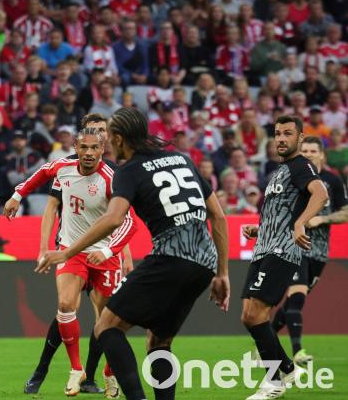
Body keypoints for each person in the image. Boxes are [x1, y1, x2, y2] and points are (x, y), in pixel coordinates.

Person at [36, 107, 230, 400]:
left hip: (169, 258)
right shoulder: (182, 159)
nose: (107, 142)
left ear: (119, 137)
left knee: (107, 327)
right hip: (204, 264)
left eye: (109, 136)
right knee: (159, 341)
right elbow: (218, 217)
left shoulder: (129, 171)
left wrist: (67, 253)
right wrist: (222, 273)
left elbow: (113, 219)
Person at [36, 128, 138, 397]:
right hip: (71, 250)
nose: (89, 152)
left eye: (95, 147)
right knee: (65, 305)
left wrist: (115, 252)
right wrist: (16, 196)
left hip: (104, 254)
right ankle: (76, 369)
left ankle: (109, 372)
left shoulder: (113, 178)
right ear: (76, 148)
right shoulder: (64, 169)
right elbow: (44, 182)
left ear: (103, 150)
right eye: (84, 147)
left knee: (109, 320)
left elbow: (127, 221)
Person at [240, 116, 328, 400]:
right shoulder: (280, 170)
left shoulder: (301, 165)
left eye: (288, 134)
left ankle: (274, 382)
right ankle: (287, 367)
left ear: (300, 138)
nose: (281, 138)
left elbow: (321, 193)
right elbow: (280, 212)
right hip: (264, 247)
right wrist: (259, 228)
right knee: (248, 316)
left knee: (256, 315)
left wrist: (301, 223)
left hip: (282, 251)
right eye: (277, 133)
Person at [270, 137, 346, 367]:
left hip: (320, 252)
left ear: (322, 154)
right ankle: (297, 351)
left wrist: (322, 218)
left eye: (314, 150)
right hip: (296, 246)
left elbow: (345, 212)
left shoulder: (332, 180)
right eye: (305, 150)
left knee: (292, 303)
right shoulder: (294, 176)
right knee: (297, 299)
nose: (310, 153)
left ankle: (265, 340)